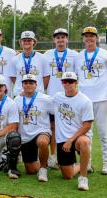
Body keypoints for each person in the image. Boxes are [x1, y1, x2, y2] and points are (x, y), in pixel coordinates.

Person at [75, 26, 107, 175]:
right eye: (86, 36)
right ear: (83, 39)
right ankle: (88, 163)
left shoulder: (106, 55)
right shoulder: (78, 57)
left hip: (101, 99)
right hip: (84, 100)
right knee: (86, 133)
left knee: (103, 132)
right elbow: (75, 80)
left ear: (96, 38)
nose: (89, 38)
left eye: (91, 36)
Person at [51, 72, 93, 191]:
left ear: (76, 82)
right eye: (65, 81)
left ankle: (83, 178)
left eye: (71, 81)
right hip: (62, 139)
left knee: (84, 142)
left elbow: (87, 126)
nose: (68, 84)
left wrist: (71, 140)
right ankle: (83, 165)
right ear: (62, 83)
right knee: (67, 175)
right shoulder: (57, 97)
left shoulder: (85, 101)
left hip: (78, 137)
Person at [44, 28, 78, 169]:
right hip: (52, 97)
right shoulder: (46, 54)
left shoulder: (74, 55)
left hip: (68, 97)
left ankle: (72, 156)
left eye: (63, 37)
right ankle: (53, 156)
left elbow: (77, 77)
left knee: (69, 126)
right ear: (54, 40)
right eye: (58, 37)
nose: (60, 40)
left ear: (67, 39)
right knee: (53, 127)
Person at [14, 74, 53, 182]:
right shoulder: (17, 99)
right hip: (25, 137)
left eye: (31, 83)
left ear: (36, 85)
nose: (28, 85)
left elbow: (56, 113)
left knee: (42, 142)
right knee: (30, 170)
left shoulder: (46, 99)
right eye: (25, 83)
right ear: (22, 85)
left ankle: (43, 169)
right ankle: (43, 160)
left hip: (41, 132)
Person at [9, 31, 50, 95]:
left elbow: (46, 77)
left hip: (37, 95)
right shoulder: (15, 59)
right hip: (20, 94)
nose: (26, 42)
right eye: (24, 40)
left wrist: (37, 90)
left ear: (33, 42)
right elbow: (14, 78)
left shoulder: (42, 58)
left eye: (29, 40)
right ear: (21, 42)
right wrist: (23, 89)